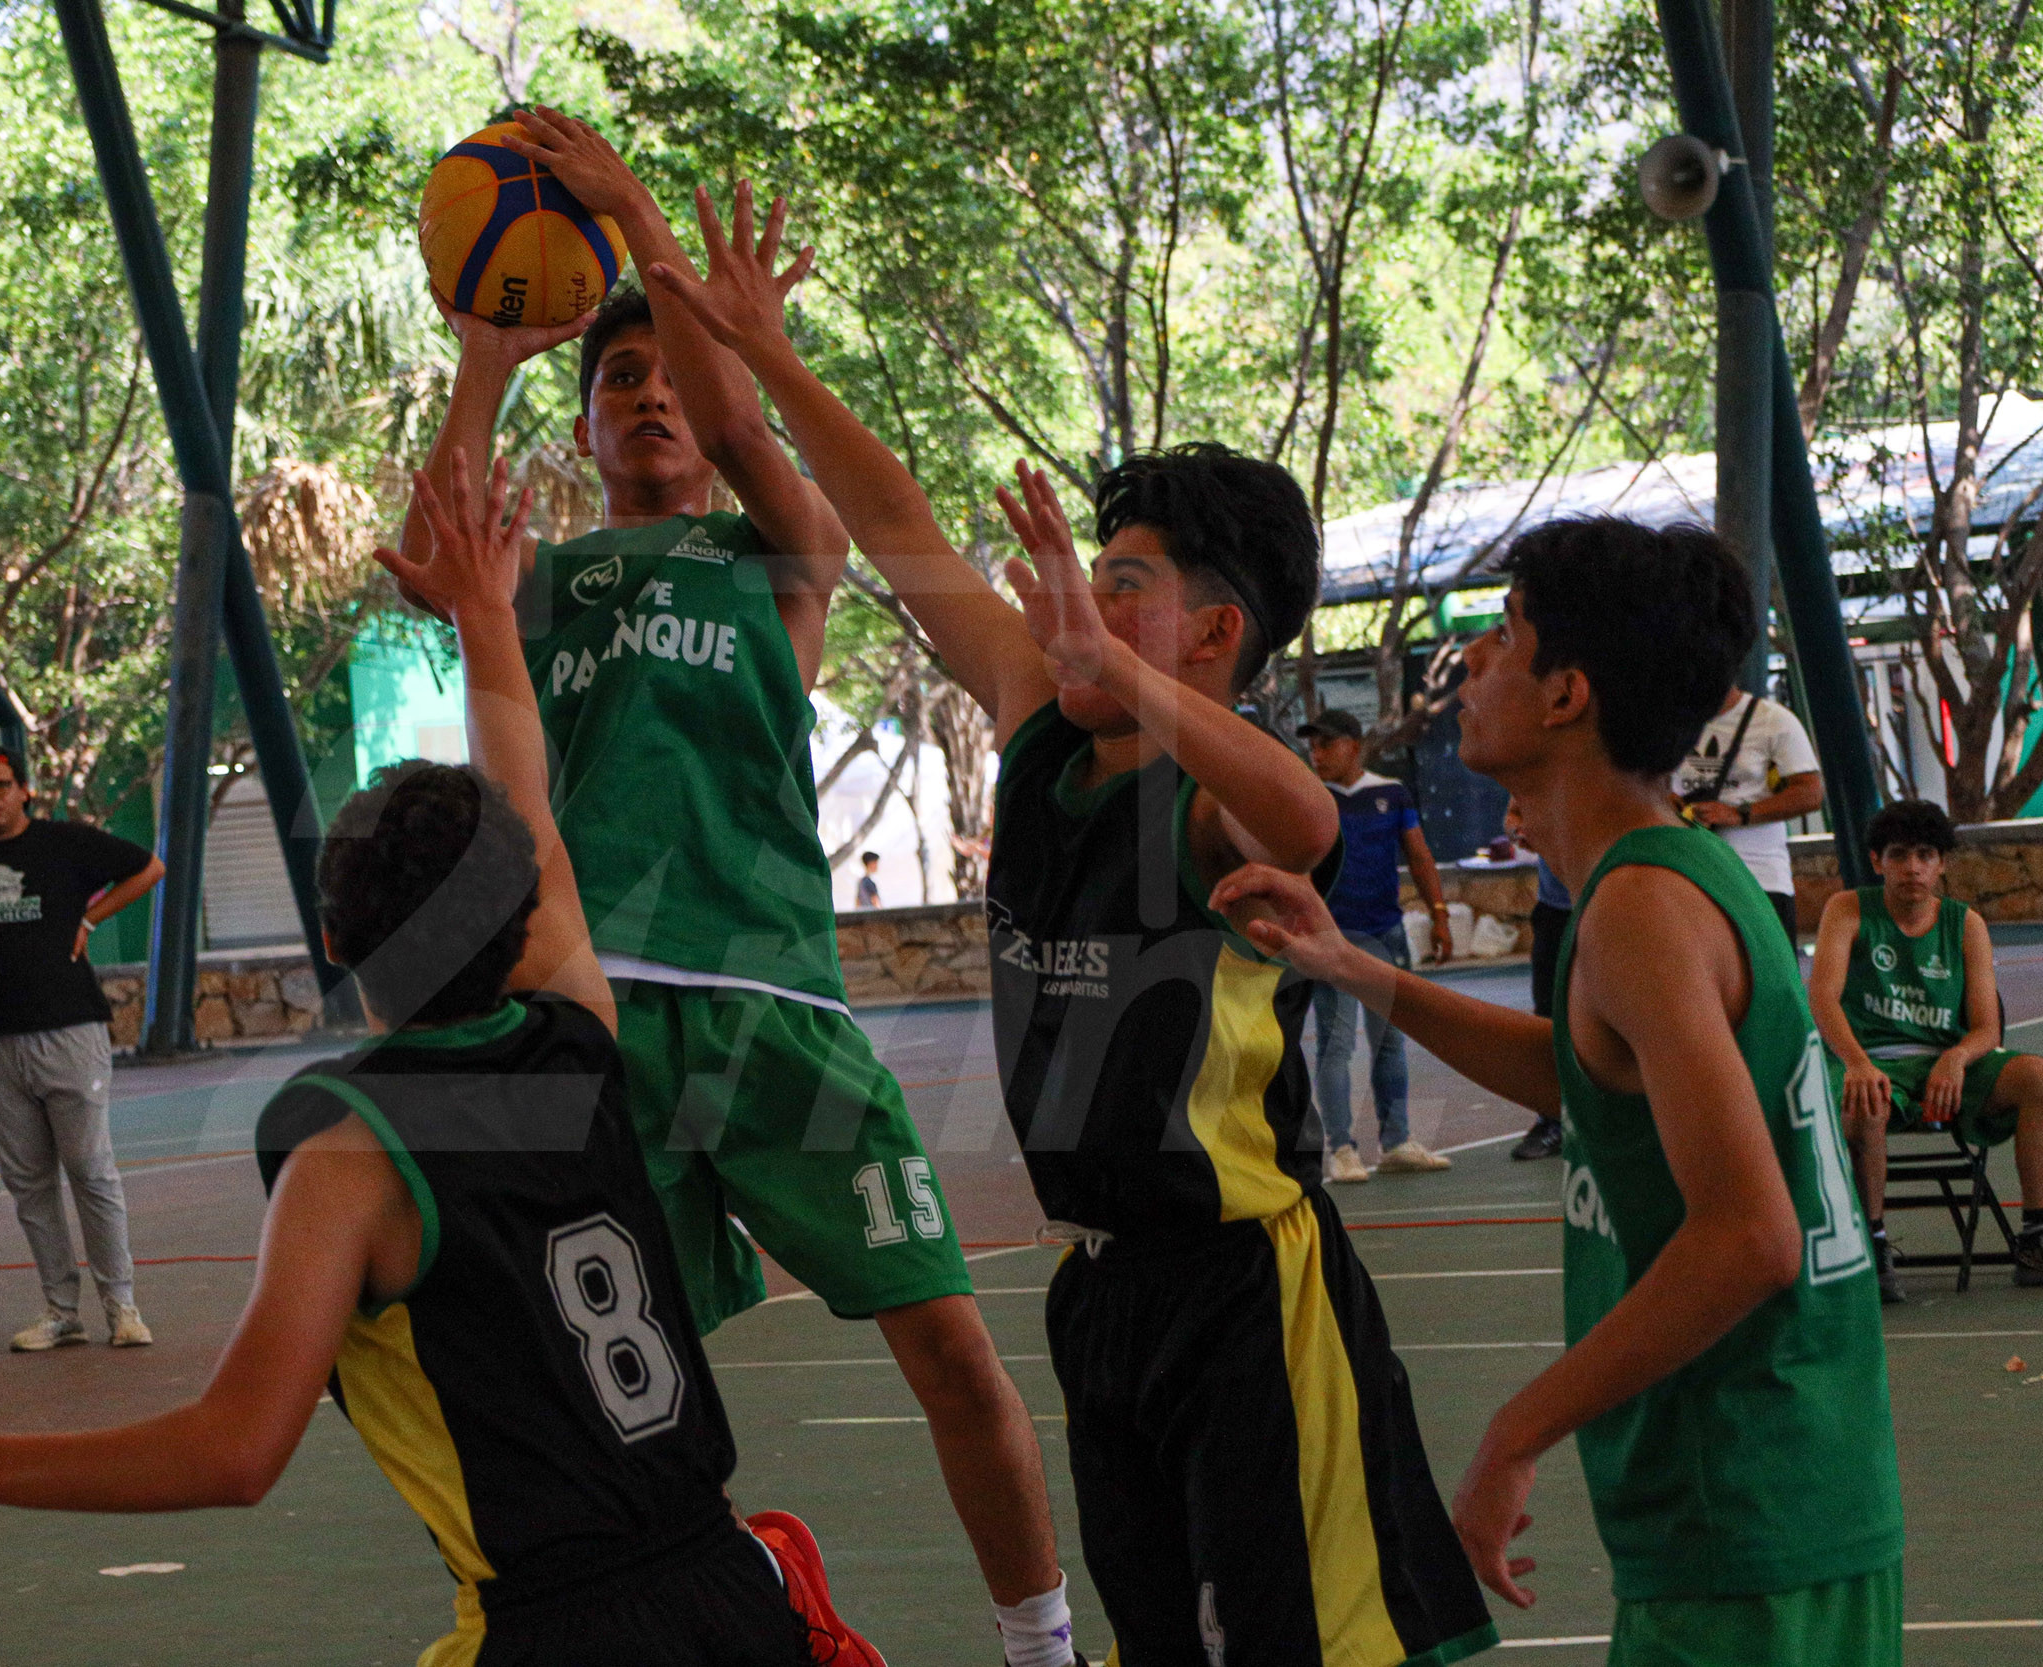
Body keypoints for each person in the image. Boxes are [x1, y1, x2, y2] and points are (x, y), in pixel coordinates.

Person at [0, 455, 857, 1667]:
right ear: (518, 922)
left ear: (338, 945)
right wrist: (485, 619)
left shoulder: (351, 1147)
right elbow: (537, 819)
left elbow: (236, 1449)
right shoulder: (583, 1037)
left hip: (558, 1626)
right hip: (732, 1589)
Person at [644, 189, 1496, 1665]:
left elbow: (1300, 817)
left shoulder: (1210, 790)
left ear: (1214, 635)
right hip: (1097, 1292)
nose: (1070, 610)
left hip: (1247, 1294)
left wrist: (1114, 666)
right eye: (1078, 582)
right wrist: (769, 352)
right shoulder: (1044, 729)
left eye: (1118, 588)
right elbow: (899, 524)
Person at [393, 112, 1072, 1660]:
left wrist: (647, 247)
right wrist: (489, 353)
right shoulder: (542, 579)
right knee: (612, 1394)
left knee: (954, 1349)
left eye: (665, 380)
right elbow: (445, 537)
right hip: (593, 1019)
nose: (644, 396)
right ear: (584, 429)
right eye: (613, 378)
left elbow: (758, 433)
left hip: (775, 1004)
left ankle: (1041, 1641)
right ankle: (737, 1605)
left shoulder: (777, 556)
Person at [1221, 517, 1904, 1666]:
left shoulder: (1639, 907)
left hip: (1742, 1503)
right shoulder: (1681, 874)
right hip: (1789, 1491)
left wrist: (1513, 1432)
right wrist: (1357, 968)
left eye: (1505, 633)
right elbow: (1592, 1076)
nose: (1474, 661)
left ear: (1564, 695)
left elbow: (1749, 1237)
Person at [0, 749, 162, 1351]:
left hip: (70, 1026)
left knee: (91, 1170)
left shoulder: (65, 843)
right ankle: (60, 1309)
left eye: (0, 786)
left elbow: (149, 867)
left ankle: (122, 1306)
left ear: (24, 791)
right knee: (29, 1183)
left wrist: (91, 921)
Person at [1808, 798, 2043, 1302]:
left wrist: (1954, 1058)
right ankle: (1873, 1244)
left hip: (1944, 1066)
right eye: (1900, 855)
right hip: (1870, 1062)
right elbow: (1821, 998)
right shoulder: (1847, 910)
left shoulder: (1964, 923)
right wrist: (1858, 1062)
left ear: (1943, 863)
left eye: (1925, 855)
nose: (1913, 867)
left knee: (2040, 1078)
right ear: (1876, 860)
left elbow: (1986, 1028)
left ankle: (2037, 1237)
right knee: (1865, 1101)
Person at [1298, 708, 1454, 1182]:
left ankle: (1397, 1140)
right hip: (1332, 940)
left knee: (1389, 1041)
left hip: (1386, 933)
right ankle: (1341, 1149)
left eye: (1326, 744)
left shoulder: (1391, 793)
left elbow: (1420, 855)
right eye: (1313, 745)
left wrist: (1439, 914)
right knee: (1335, 1044)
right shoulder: (1308, 797)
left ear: (1353, 744)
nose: (1317, 754)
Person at [1670, 683, 1823, 949]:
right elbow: (1646, 787)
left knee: (1769, 983)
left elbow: (1810, 793)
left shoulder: (1772, 720)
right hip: (1688, 878)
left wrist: (1738, 814)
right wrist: (1677, 808)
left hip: (1759, 879)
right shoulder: (1668, 723)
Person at [1505, 803, 1564, 1162]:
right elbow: (1513, 815)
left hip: (1610, 895)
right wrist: (1519, 831)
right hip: (1556, 908)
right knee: (1548, 1017)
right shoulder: (1539, 760)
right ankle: (1551, 1119)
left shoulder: (1615, 757)